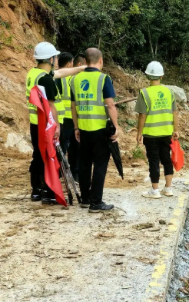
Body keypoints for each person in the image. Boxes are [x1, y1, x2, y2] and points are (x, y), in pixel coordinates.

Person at [26, 42, 84, 204]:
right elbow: (51, 106)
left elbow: (61, 72)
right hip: (47, 125)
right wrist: (57, 127)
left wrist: (81, 69)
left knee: (38, 155)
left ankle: (36, 190)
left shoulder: (34, 74)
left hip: (35, 123)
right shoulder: (46, 80)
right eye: (55, 57)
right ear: (51, 59)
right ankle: (49, 192)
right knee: (50, 157)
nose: (57, 60)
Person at [71, 48, 120, 213]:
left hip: (83, 129)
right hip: (99, 129)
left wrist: (76, 127)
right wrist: (117, 126)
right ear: (101, 61)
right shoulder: (103, 78)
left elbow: (73, 106)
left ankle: (85, 199)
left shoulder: (75, 79)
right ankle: (96, 202)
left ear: (85, 61)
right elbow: (110, 104)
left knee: (84, 164)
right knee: (100, 165)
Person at [135, 61, 180, 199]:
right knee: (166, 159)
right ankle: (168, 188)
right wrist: (176, 130)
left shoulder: (144, 93)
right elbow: (175, 112)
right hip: (166, 132)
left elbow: (142, 115)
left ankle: (155, 190)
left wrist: (139, 132)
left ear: (148, 76)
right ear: (161, 76)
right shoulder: (169, 92)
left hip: (151, 134)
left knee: (154, 160)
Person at [56, 52, 79, 179]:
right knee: (74, 148)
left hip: (60, 118)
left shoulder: (54, 76)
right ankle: (74, 174)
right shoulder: (72, 78)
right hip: (71, 118)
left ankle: (59, 172)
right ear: (70, 63)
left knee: (61, 147)